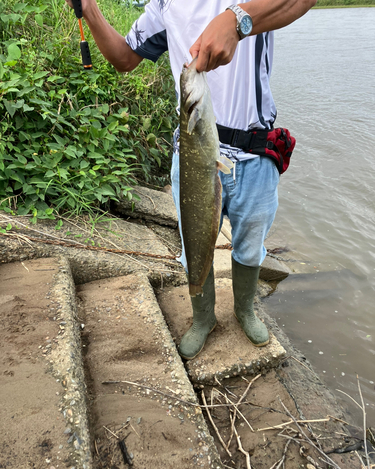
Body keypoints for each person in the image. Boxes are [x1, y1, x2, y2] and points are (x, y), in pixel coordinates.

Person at [65, 0, 316, 360]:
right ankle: (203, 318)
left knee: (249, 245)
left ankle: (245, 310)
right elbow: (124, 57)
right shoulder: (164, 3)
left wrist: (237, 20)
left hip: (256, 152)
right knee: (194, 243)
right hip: (193, 154)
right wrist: (88, 7)